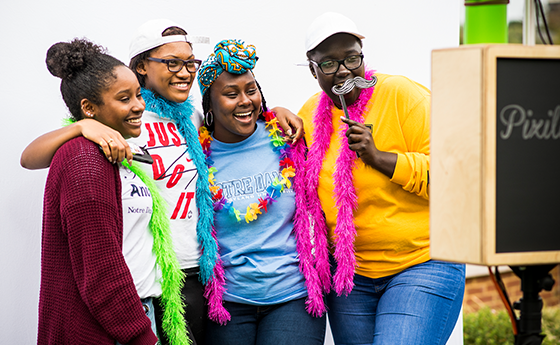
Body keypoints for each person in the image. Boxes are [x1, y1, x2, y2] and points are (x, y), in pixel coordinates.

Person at [21, 19, 305, 345]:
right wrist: (81, 127)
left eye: (190, 63)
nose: (184, 72)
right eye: (172, 63)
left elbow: (234, 117)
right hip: (157, 277)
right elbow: (31, 158)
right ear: (141, 66)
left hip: (199, 270)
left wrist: (275, 111)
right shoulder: (125, 116)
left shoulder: (192, 116)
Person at [297, 12, 466, 345]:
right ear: (313, 69)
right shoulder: (309, 115)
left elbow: (455, 179)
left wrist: (379, 158)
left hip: (422, 262)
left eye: (351, 58)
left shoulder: (403, 96)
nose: (343, 70)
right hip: (351, 278)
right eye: (329, 63)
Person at [38, 38, 187, 345]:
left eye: (137, 94)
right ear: (89, 109)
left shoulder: (119, 153)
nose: (139, 105)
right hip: (111, 328)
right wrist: (141, 336)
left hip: (137, 313)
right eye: (124, 98)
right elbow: (100, 269)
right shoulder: (83, 161)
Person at [195, 39, 327, 345]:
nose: (245, 101)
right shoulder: (197, 155)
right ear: (209, 104)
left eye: (251, 90)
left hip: (293, 298)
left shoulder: (287, 137)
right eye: (230, 94)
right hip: (228, 304)